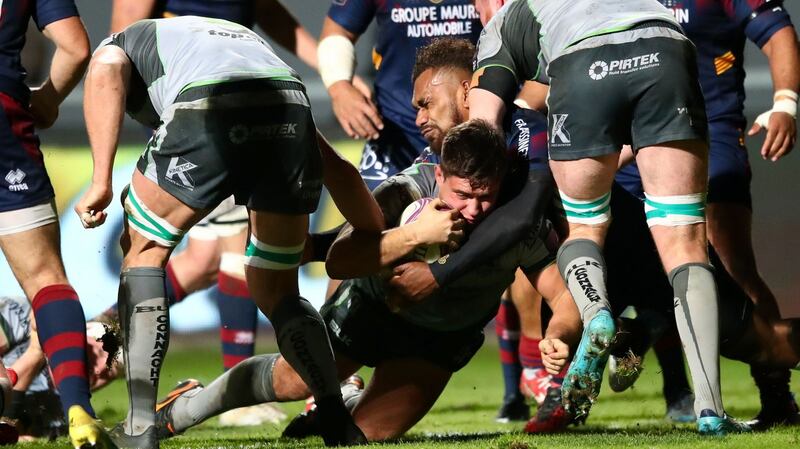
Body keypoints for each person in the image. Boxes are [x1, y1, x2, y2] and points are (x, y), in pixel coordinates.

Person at [149, 119, 582, 442]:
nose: (473, 210)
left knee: (367, 436)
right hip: (370, 308)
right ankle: (187, 406)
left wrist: (559, 334)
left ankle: (341, 404)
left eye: (484, 197)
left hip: (441, 339)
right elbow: (340, 260)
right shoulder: (404, 191)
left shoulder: (518, 221)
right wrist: (414, 236)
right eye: (462, 195)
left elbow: (563, 295)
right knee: (291, 381)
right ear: (440, 175)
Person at [76, 16, 384, 448]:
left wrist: (101, 181)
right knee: (279, 290)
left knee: (144, 251)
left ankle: (140, 426)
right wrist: (377, 231)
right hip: (290, 103)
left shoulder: (124, 43)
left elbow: (106, 66)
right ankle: (335, 418)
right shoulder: (231, 47)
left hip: (207, 105)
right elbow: (338, 169)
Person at [468, 0, 750, 435]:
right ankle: (710, 410)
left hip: (583, 65)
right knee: (685, 243)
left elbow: (481, 136)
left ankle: (597, 314)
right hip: (666, 46)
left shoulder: (503, 23)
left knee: (584, 225)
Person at [102, 0, 329, 386]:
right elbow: (120, 41)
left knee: (203, 260)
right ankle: (238, 394)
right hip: (200, 112)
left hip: (231, 102)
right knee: (239, 245)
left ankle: (84, 341)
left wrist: (333, 72)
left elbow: (268, 11)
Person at [610, 0, 800, 429]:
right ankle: (636, 339)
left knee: (732, 267)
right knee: (629, 266)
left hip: (708, 132)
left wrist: (785, 103)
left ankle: (776, 394)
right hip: (633, 144)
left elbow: (779, 34)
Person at [0, 1, 118, 447]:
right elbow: (75, 47)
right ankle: (79, 411)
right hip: (5, 119)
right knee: (46, 280)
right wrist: (47, 99)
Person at [318, 0, 482, 188]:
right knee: (375, 206)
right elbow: (337, 33)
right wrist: (340, 88)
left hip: (473, 134)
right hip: (396, 134)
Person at [0, 297, 122, 440]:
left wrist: (35, 353)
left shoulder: (63, 415)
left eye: (109, 373)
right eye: (100, 352)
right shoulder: (23, 316)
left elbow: (7, 429)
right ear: (82, 333)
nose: (99, 370)